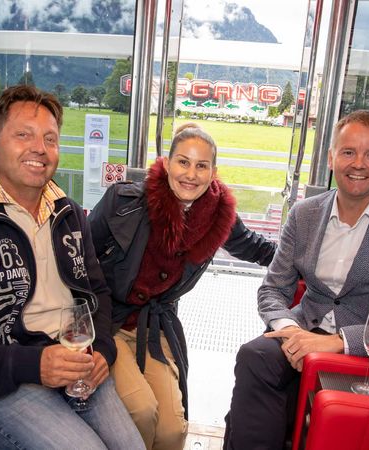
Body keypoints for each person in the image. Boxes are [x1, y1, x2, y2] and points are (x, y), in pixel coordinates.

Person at [0, 85, 145, 450]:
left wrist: (102, 351)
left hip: (73, 362)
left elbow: (96, 293)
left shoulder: (70, 216)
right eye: (23, 135)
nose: (39, 148)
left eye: (49, 139)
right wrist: (34, 364)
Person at [223, 110, 369, 450]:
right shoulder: (305, 213)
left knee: (272, 410)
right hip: (302, 332)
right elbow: (273, 287)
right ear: (331, 157)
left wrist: (341, 341)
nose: (358, 163)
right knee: (254, 358)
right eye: (348, 152)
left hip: (367, 350)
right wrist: (290, 332)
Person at [87, 123, 276, 450]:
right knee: (143, 411)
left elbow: (255, 247)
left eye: (201, 166)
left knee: (173, 429)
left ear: (213, 172)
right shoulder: (126, 201)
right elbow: (81, 255)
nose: (191, 174)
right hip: (108, 321)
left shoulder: (218, 216)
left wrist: (301, 262)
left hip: (155, 328)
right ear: (167, 162)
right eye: (183, 162)